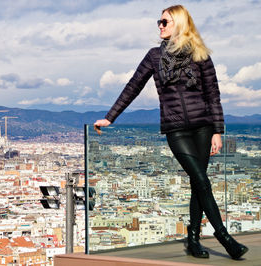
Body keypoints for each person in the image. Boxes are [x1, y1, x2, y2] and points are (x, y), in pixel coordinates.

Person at [94, 5, 248, 260]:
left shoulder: (200, 55)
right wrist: (111, 117)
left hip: (203, 126)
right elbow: (133, 86)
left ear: (180, 23)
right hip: (175, 129)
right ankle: (224, 237)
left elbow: (213, 96)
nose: (160, 26)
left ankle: (194, 239)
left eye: (165, 21)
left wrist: (217, 131)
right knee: (201, 179)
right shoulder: (154, 56)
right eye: (159, 22)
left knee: (198, 182)